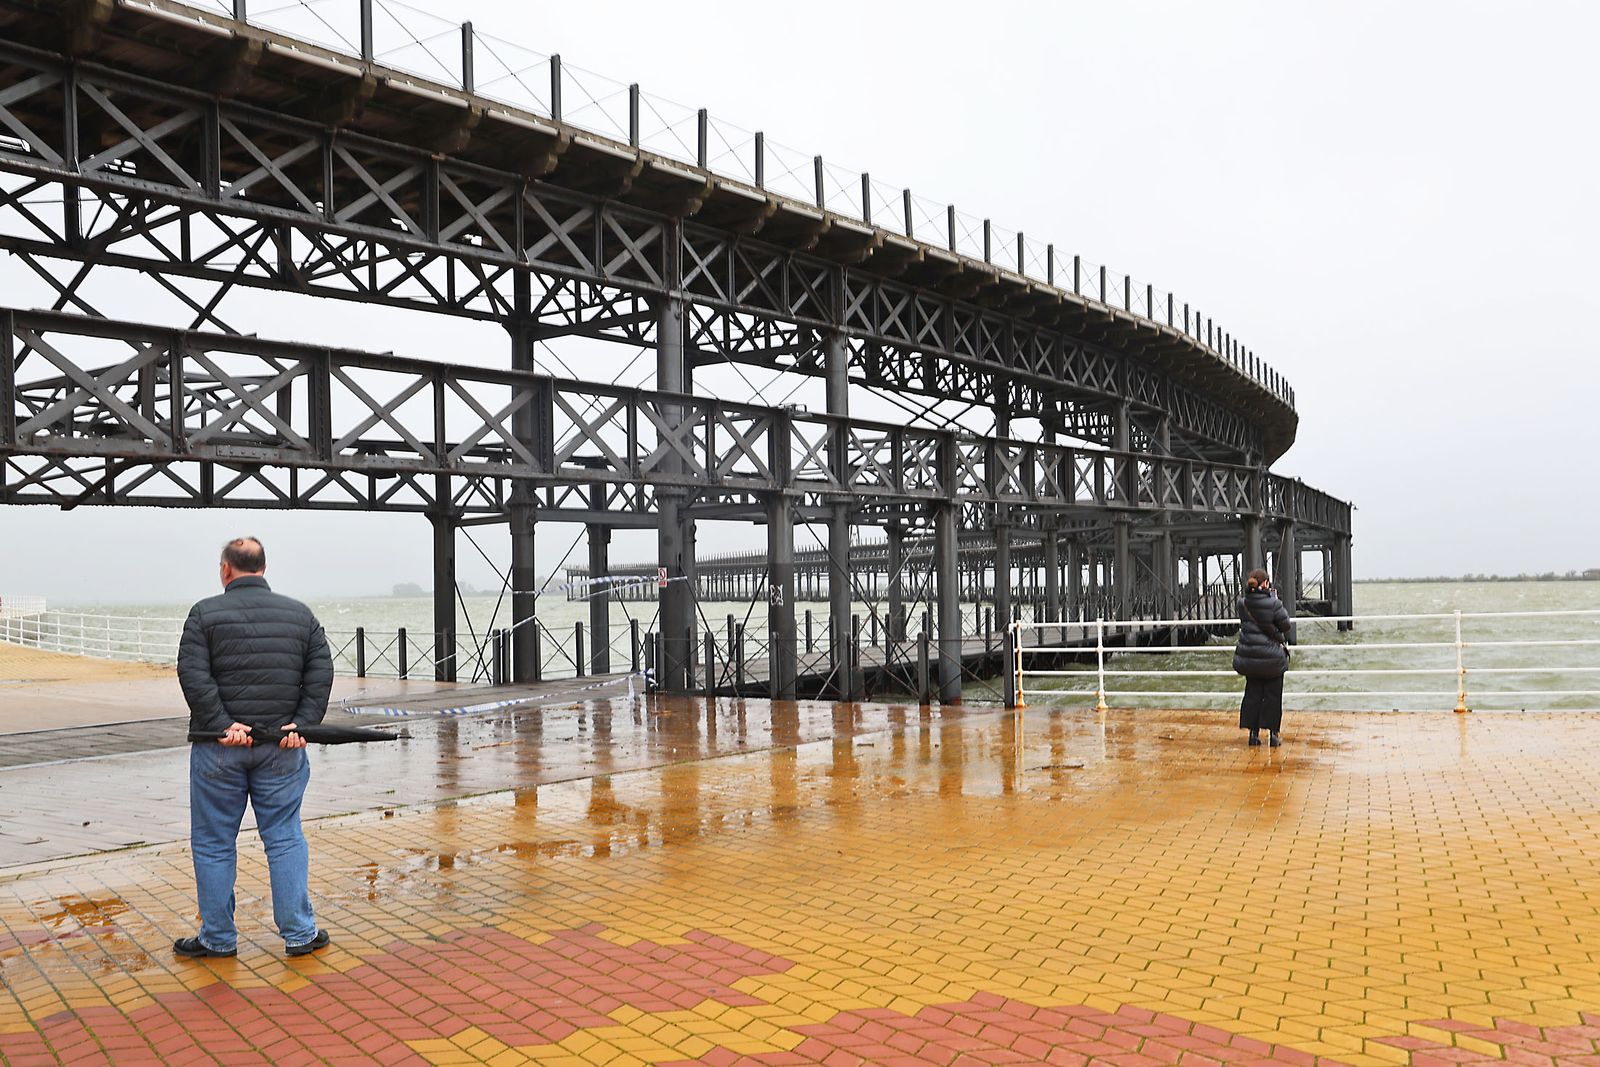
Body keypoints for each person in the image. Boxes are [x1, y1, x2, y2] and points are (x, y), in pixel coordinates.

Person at [173, 537, 333, 959]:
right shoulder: (300, 615)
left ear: (226, 569)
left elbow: (193, 673)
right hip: (282, 746)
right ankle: (299, 934)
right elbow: (320, 671)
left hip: (218, 748)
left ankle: (217, 939)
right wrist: (302, 723)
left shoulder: (203, 614)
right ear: (263, 568)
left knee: (213, 843)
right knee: (284, 837)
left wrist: (222, 724)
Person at [1233, 567, 1292, 747]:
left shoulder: (1242, 603)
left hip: (1251, 658)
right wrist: (1273, 598)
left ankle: (1253, 734)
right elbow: (1285, 625)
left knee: (1253, 695)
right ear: (1266, 583)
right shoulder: (1274, 603)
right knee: (1273, 696)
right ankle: (1273, 735)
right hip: (1272, 658)